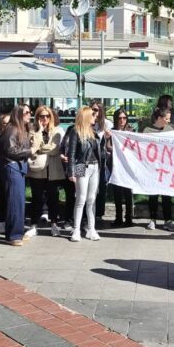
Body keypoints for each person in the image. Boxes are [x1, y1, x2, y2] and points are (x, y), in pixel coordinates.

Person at [64, 106, 102, 242]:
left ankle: (91, 229)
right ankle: (76, 230)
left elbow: (98, 152)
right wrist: (71, 172)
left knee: (92, 199)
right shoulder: (75, 131)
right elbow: (72, 153)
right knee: (81, 198)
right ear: (86, 116)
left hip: (95, 167)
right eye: (92, 114)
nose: (95, 116)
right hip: (82, 166)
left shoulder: (93, 132)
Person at [0, 105, 34, 246]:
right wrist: (30, 151)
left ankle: (16, 233)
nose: (29, 114)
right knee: (15, 202)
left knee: (18, 202)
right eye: (26, 112)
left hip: (17, 168)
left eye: (30, 112)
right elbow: (11, 151)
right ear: (18, 114)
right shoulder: (12, 129)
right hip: (12, 167)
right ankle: (14, 235)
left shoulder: (20, 129)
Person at [28, 105, 66, 237]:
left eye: (47, 116)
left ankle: (54, 224)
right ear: (37, 117)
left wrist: (39, 148)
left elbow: (54, 149)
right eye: (41, 116)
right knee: (36, 199)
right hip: (37, 171)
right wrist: (39, 131)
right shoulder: (33, 131)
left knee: (53, 199)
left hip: (53, 171)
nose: (44, 118)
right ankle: (33, 225)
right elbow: (33, 147)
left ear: (51, 117)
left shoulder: (57, 130)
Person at [141, 107, 174, 231]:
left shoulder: (170, 130)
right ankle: (152, 219)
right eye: (166, 119)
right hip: (152, 169)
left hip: (166, 169)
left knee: (167, 195)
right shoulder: (147, 131)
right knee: (153, 195)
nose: (168, 121)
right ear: (159, 118)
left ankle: (168, 220)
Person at [109, 108, 134, 226]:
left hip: (128, 166)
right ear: (116, 119)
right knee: (117, 193)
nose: (122, 120)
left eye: (124, 118)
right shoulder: (112, 131)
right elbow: (107, 147)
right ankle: (118, 217)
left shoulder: (131, 131)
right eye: (120, 118)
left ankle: (129, 218)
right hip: (116, 166)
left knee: (128, 193)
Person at [90, 101, 111, 224]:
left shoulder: (107, 124)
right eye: (92, 109)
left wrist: (108, 137)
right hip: (88, 159)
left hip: (101, 159)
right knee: (89, 188)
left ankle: (99, 213)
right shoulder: (88, 122)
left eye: (96, 110)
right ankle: (86, 215)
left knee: (101, 185)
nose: (94, 112)